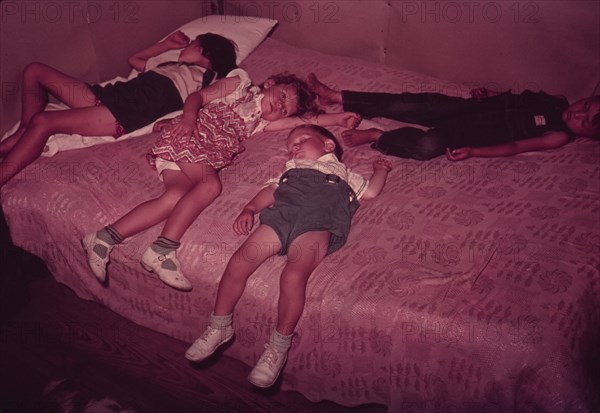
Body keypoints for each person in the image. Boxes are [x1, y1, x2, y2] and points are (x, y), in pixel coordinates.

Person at [82, 71, 362, 291]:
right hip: (187, 137)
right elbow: (196, 97)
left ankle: (103, 237)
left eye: (285, 109)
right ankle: (162, 249)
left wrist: (339, 118)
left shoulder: (260, 123)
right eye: (283, 94)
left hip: (195, 155)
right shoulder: (239, 85)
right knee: (210, 186)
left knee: (174, 198)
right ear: (272, 82)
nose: (280, 105)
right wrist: (189, 120)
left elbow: (297, 124)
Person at [184, 124, 392, 388]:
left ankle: (278, 347)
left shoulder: (345, 173)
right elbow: (271, 191)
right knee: (239, 261)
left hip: (318, 224)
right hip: (281, 218)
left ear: (328, 145)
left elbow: (371, 192)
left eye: (302, 140)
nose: (294, 147)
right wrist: (249, 208)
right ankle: (219, 325)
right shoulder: (289, 170)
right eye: (290, 146)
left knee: (293, 275)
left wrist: (381, 170)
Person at [0, 31, 237, 187]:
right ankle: (24, 132)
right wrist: (165, 45)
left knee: (44, 121)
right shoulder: (170, 63)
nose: (189, 44)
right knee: (35, 70)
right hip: (109, 95)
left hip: (127, 110)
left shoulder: (208, 77)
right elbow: (135, 61)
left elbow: (216, 96)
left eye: (195, 43)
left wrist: (189, 117)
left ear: (208, 53)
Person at [307, 73, 600, 161]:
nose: (577, 113)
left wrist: (474, 151)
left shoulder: (559, 134)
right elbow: (513, 102)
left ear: (586, 135)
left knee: (426, 147)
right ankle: (337, 96)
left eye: (584, 121)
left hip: (471, 135)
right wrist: (487, 96)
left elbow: (515, 147)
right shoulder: (554, 100)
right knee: (407, 104)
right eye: (585, 105)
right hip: (466, 110)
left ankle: (378, 137)